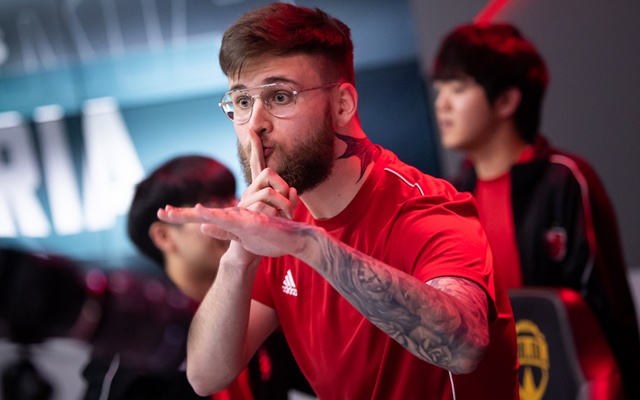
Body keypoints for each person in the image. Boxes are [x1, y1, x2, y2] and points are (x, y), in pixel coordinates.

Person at [157, 4, 520, 399]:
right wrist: (238, 257)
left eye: (280, 96)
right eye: (242, 102)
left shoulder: (423, 208)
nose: (255, 123)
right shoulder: (279, 223)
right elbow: (205, 377)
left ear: (343, 104)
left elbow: (464, 348)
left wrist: (309, 246)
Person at [430, 22, 640, 398]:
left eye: (457, 89)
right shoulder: (451, 197)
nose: (441, 103)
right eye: (439, 89)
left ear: (506, 101)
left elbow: (608, 315)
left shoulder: (566, 180)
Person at [83, 155, 313, 400]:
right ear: (164, 236)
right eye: (214, 205)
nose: (236, 211)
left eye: (232, 197)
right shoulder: (136, 343)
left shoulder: (260, 304)